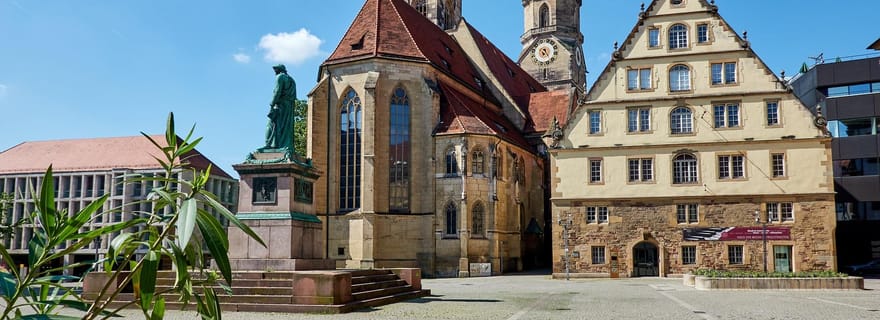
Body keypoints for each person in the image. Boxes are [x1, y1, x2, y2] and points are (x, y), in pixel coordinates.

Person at [264, 64, 297, 150]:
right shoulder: (291, 80)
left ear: (279, 70)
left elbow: (277, 92)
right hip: (289, 106)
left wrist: (272, 104)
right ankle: (282, 144)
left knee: (271, 123)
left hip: (280, 105)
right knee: (286, 127)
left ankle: (270, 144)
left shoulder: (280, 77)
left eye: (275, 70)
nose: (275, 72)